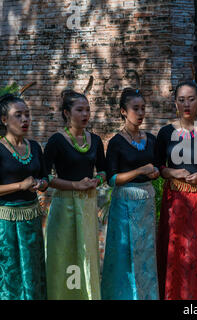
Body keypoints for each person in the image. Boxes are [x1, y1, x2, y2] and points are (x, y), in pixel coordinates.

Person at [156, 80, 197, 300]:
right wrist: (174, 173)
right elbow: (158, 168)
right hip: (176, 200)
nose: (186, 104)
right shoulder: (165, 133)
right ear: (175, 103)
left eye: (191, 99)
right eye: (181, 100)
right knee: (176, 253)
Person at [44, 89, 106, 300]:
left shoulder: (95, 140)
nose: (85, 114)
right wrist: (74, 185)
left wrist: (96, 181)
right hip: (64, 205)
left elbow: (104, 170)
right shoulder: (56, 141)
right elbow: (44, 179)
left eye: (87, 110)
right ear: (67, 113)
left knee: (86, 253)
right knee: (64, 254)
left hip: (88, 204)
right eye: (79, 110)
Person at [101, 88, 160, 300]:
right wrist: (139, 171)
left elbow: (159, 167)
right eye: (136, 108)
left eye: (143, 108)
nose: (141, 113)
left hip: (146, 202)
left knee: (145, 252)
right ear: (123, 111)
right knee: (123, 252)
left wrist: (154, 172)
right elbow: (112, 179)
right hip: (124, 203)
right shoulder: (116, 142)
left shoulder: (152, 139)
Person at [0, 94, 48, 300]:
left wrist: (41, 184)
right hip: (5, 223)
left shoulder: (35, 147)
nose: (25, 119)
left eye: (27, 115)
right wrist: (21, 185)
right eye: (18, 115)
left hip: (32, 221)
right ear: (4, 120)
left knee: (33, 271)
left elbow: (45, 176)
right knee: (10, 275)